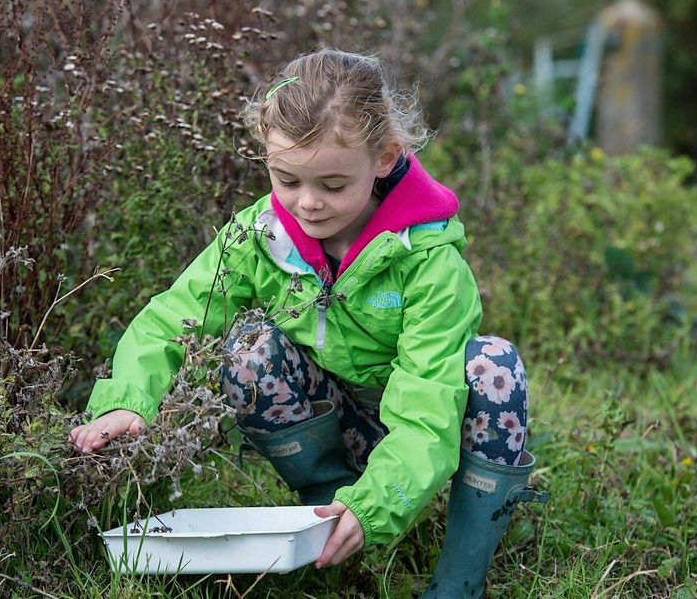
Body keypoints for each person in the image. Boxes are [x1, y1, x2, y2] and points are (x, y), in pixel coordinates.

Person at [70, 49, 546, 597]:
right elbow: (175, 318)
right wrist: (128, 399)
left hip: (421, 435)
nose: (308, 204)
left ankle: (458, 581)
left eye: (334, 185)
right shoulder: (257, 238)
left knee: (494, 368)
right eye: (286, 179)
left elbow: (429, 407)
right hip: (336, 423)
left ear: (386, 157)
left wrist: (376, 504)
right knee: (247, 349)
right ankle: (328, 521)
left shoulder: (430, 260)